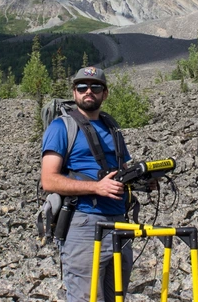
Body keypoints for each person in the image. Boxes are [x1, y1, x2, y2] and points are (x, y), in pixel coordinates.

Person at [41, 66, 133, 302]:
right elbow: (48, 180)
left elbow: (122, 169)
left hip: (120, 222)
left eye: (95, 87)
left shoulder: (113, 127)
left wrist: (144, 180)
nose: (88, 91)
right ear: (74, 93)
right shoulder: (61, 127)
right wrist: (96, 187)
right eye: (82, 87)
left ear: (105, 93)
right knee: (85, 297)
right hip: (83, 222)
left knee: (117, 297)